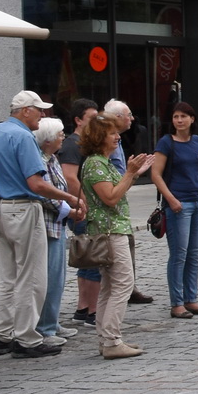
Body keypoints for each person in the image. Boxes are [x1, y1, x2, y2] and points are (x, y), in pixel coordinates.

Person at [0, 91, 77, 358]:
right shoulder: (23, 136)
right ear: (25, 111)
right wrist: (68, 197)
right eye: (39, 110)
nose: (42, 115)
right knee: (32, 276)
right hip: (23, 208)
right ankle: (26, 338)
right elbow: (36, 183)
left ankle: (1, 335)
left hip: (0, 208)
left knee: (8, 276)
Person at [80, 112, 153, 359]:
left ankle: (107, 338)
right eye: (112, 133)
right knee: (122, 285)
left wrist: (135, 172)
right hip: (109, 231)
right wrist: (131, 173)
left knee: (110, 287)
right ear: (100, 137)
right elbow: (110, 197)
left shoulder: (102, 162)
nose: (117, 137)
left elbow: (117, 191)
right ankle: (111, 340)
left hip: (111, 230)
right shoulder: (95, 164)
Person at [151, 102, 198, 318]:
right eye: (176, 116)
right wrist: (171, 199)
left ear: (192, 119)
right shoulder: (166, 143)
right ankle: (177, 303)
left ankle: (191, 299)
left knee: (194, 254)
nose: (179, 120)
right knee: (179, 255)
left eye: (183, 116)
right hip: (179, 205)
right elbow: (156, 174)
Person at [101, 99, 155, 305]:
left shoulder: (119, 140)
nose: (132, 119)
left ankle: (129, 288)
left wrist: (132, 174)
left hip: (119, 206)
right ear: (117, 118)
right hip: (108, 211)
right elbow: (109, 186)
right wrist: (131, 175)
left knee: (127, 246)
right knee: (105, 260)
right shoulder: (104, 147)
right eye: (129, 115)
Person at [56, 99, 101, 326]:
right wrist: (85, 205)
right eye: (92, 118)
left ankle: (83, 308)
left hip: (84, 207)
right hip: (85, 209)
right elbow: (69, 178)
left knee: (86, 258)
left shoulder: (84, 142)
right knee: (93, 259)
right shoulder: (74, 144)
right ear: (78, 120)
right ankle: (92, 311)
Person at [33, 117, 77, 343]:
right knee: (49, 277)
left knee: (58, 277)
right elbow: (45, 193)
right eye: (60, 134)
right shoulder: (40, 161)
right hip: (48, 224)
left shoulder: (53, 159)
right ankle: (45, 327)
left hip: (57, 224)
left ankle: (53, 321)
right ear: (48, 139)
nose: (63, 137)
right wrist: (69, 209)